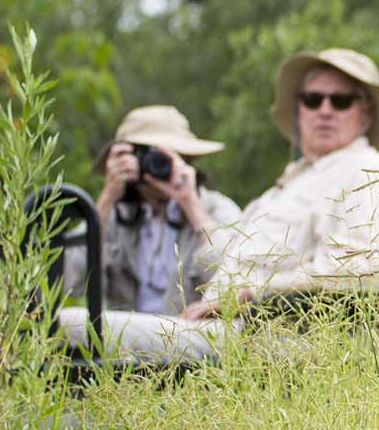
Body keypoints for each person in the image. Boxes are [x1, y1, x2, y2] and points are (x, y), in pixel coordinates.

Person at [56, 49, 379, 362]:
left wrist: (249, 294)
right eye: (312, 99)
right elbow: (61, 279)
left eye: (341, 101)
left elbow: (361, 271)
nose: (325, 110)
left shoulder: (368, 168)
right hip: (216, 326)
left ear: (366, 115)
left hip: (265, 334)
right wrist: (107, 197)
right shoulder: (286, 185)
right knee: (55, 320)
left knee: (65, 324)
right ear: (299, 111)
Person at [62, 106, 243, 314]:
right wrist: (106, 199)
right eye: (146, 157)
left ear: (187, 159)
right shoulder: (114, 216)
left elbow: (236, 282)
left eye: (166, 157)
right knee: (71, 320)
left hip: (189, 336)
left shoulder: (216, 209)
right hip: (122, 340)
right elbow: (66, 282)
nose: (156, 166)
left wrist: (192, 208)